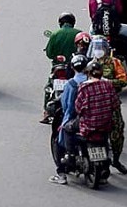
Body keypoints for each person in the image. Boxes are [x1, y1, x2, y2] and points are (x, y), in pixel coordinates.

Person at [49, 54, 90, 185]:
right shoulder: (96, 82)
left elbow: (66, 105)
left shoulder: (71, 84)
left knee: (61, 138)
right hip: (96, 118)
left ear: (73, 68)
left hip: (74, 119)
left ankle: (61, 173)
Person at [75, 61, 121, 172]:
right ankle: (115, 160)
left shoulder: (84, 87)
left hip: (88, 126)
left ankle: (72, 157)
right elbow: (115, 104)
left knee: (68, 129)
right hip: (105, 126)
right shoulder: (108, 85)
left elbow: (78, 108)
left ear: (89, 73)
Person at [40, 13, 82, 124]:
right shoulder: (79, 34)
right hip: (74, 67)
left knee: (49, 86)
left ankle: (46, 113)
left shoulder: (55, 34)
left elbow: (49, 54)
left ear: (60, 23)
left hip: (57, 67)